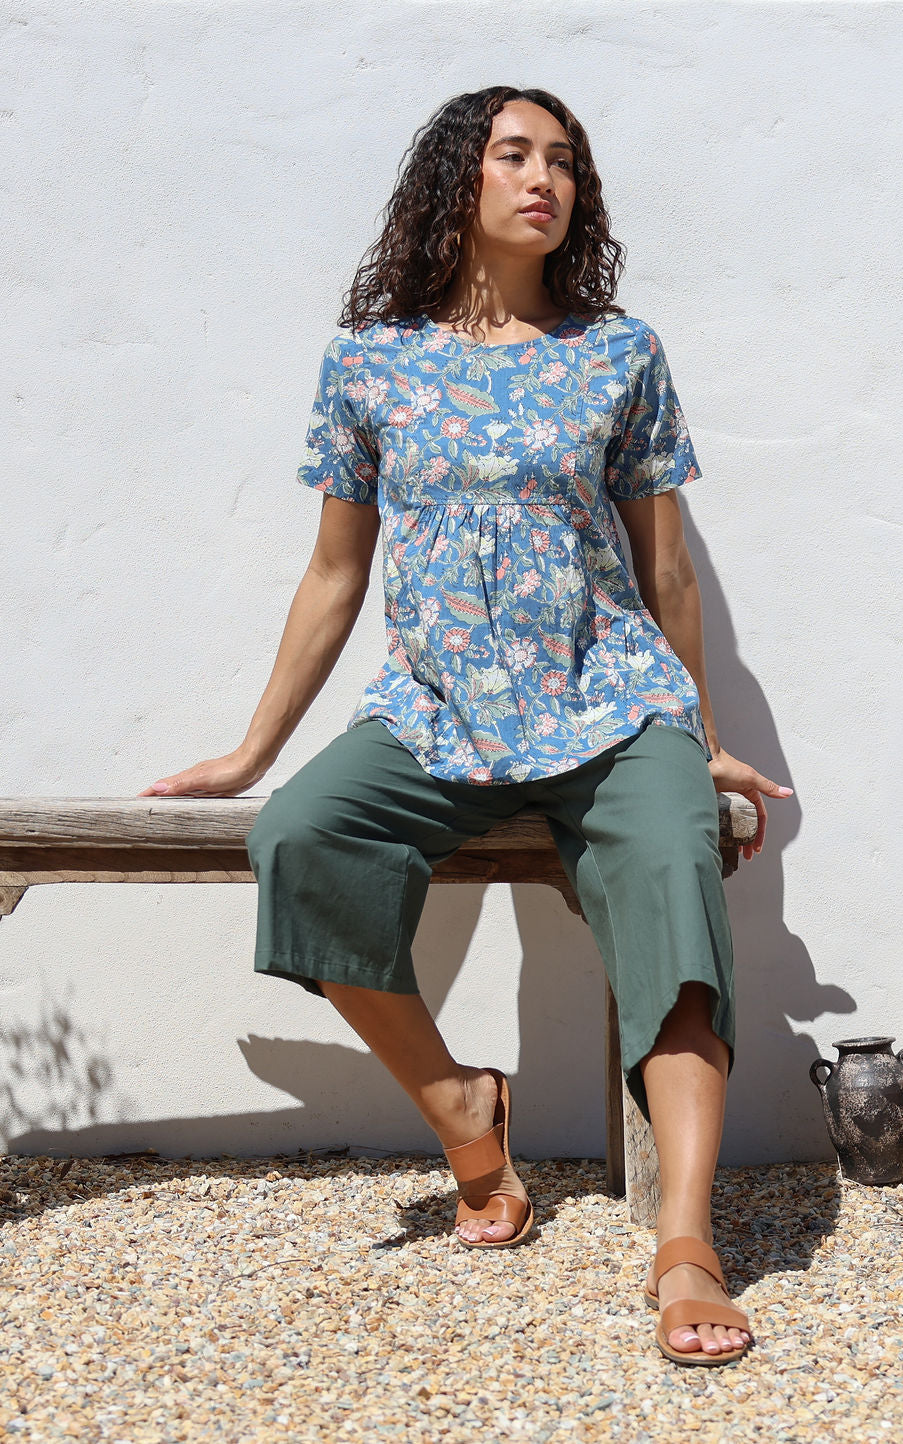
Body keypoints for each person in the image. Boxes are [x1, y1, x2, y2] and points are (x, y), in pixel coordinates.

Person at [141, 85, 793, 1367]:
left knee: (675, 889)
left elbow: (665, 576)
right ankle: (463, 1111)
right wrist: (253, 752)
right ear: (460, 181)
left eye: (562, 161)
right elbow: (334, 574)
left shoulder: (620, 352)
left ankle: (684, 1241)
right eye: (512, 155)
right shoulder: (370, 358)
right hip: (435, 710)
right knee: (301, 840)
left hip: (611, 700)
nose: (541, 177)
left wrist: (699, 729)